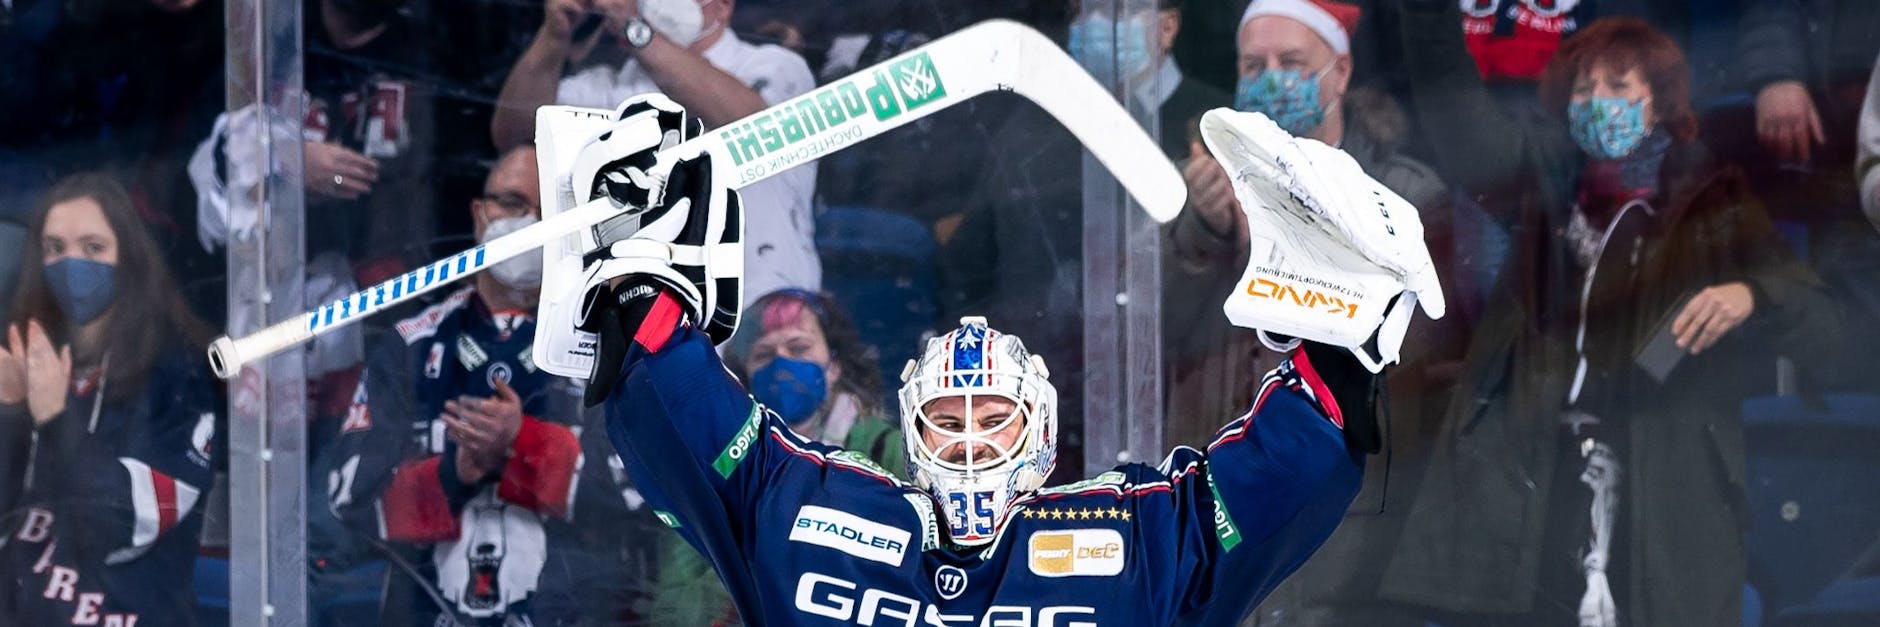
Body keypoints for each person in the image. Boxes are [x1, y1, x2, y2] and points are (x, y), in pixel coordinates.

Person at [548, 93, 1450, 624]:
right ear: (912, 431)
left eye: (993, 416)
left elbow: (1270, 482)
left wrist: (1338, 343)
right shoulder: (813, 514)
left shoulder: (1129, 541)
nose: (972, 437)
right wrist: (642, 291)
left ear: (1042, 434)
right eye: (949, 417)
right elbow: (699, 435)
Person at [1381, 13, 1844, 627]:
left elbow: (1831, 334)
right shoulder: (1542, 180)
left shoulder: (1716, 201)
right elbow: (1458, 112)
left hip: (1663, 493)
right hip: (1535, 484)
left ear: (1659, 104)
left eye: (1619, 87)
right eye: (1583, 89)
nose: (1598, 102)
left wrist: (1752, 293)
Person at [321, 146, 660, 626]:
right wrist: (454, 472)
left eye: (549, 213)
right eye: (513, 203)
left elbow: (641, 496)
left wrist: (523, 445)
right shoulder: (410, 345)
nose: (531, 222)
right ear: (479, 215)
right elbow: (348, 496)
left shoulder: (610, 346)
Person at [492, 0, 821, 301]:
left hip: (759, 302)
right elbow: (518, 138)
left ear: (721, 6)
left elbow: (751, 124)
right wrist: (554, 37)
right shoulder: (608, 86)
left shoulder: (775, 66)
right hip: (645, 310)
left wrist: (634, 30)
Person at [0, 173, 219, 626]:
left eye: (93, 247)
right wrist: (13, 416)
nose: (71, 264)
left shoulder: (179, 373)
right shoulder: (23, 352)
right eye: (55, 248)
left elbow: (123, 526)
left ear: (130, 257)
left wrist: (55, 418)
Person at [650, 288, 907, 625]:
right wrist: (752, 550)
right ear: (744, 375)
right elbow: (674, 609)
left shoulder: (889, 451)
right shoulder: (715, 468)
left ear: (834, 365)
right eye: (764, 355)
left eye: (798, 348)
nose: (782, 365)